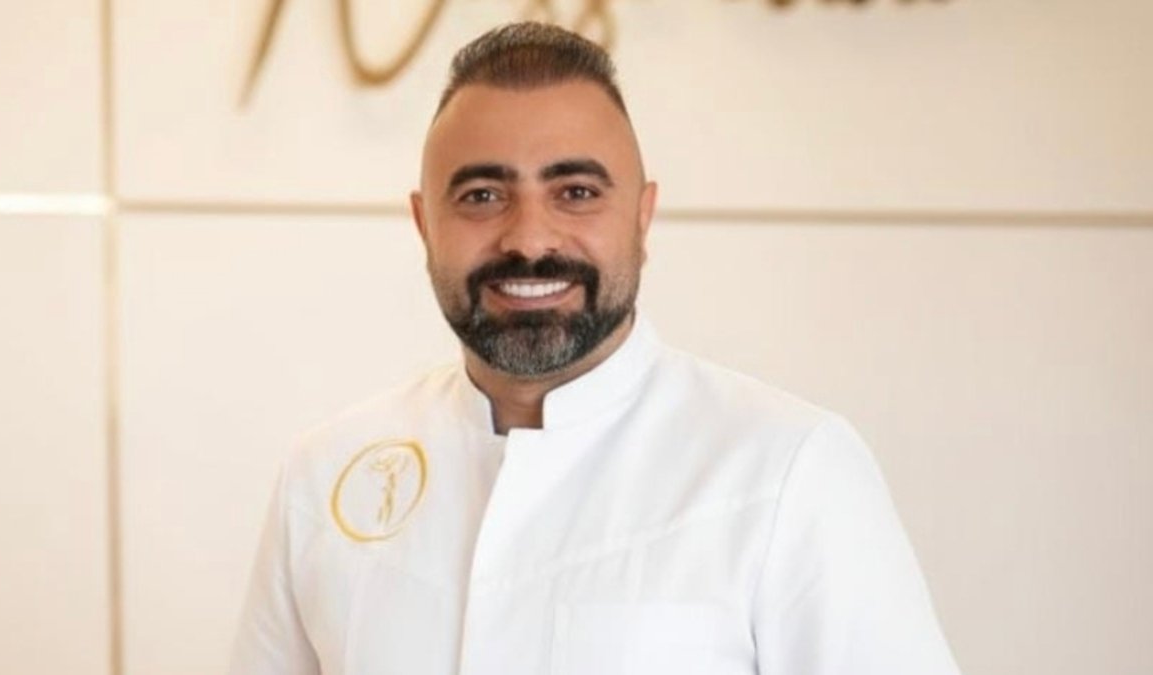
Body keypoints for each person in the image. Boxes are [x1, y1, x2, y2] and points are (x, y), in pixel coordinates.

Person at [229, 22, 961, 675]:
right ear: (425, 225)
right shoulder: (325, 473)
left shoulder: (788, 468)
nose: (529, 238)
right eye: (482, 195)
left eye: (576, 192)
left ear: (642, 218)